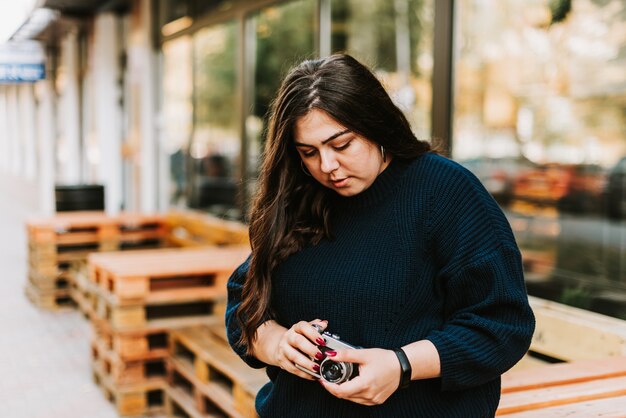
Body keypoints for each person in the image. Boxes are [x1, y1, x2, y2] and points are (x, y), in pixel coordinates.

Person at [225, 53, 535, 417]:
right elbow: (244, 306)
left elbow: (502, 325)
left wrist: (402, 366)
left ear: (376, 124)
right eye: (309, 152)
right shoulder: (297, 199)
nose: (327, 167)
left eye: (342, 145)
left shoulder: (445, 192)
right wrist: (279, 345)